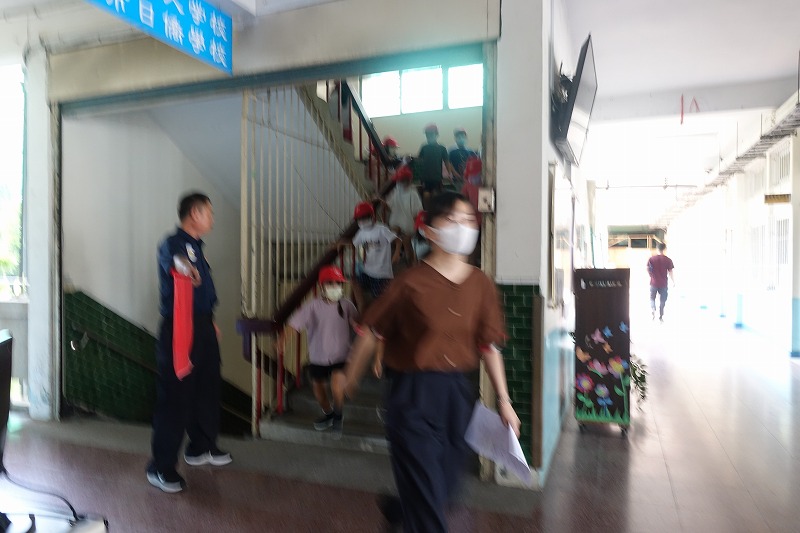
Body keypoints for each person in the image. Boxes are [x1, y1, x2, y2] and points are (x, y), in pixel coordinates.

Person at [344, 192, 521, 533]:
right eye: (452, 220)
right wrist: (350, 377)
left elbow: (488, 346)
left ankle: (400, 508)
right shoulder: (409, 282)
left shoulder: (481, 284)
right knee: (426, 494)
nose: (462, 227)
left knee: (446, 486)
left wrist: (504, 401)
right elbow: (373, 330)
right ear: (430, 231)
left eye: (468, 220)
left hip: (457, 394)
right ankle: (414, 513)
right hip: (413, 394)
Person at [147, 193, 231, 494]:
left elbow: (202, 293)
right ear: (195, 213)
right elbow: (177, 264)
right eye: (209, 212)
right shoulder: (173, 244)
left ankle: (201, 446)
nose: (212, 219)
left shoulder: (197, 247)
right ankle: (160, 467)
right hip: (180, 327)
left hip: (203, 324)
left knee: (207, 386)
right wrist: (185, 268)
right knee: (176, 394)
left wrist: (209, 322)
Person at [284, 266, 358, 436]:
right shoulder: (313, 306)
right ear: (322, 286)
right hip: (318, 356)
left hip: (342, 355)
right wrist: (284, 339)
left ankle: (338, 414)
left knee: (337, 383)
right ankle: (329, 413)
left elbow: (357, 322)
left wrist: (359, 325)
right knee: (319, 391)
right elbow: (294, 324)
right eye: (330, 283)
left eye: (337, 283)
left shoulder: (347, 305)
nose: (334, 287)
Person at [350, 201, 400, 310]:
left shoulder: (382, 229)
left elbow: (398, 241)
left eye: (364, 218)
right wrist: (340, 243)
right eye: (359, 219)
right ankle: (361, 307)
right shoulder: (361, 232)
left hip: (382, 273)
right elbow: (353, 244)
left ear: (372, 216)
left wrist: (396, 254)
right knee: (355, 282)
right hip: (368, 271)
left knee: (379, 300)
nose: (362, 221)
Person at [386, 165, 424, 267]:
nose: (399, 183)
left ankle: (409, 265)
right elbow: (389, 206)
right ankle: (404, 262)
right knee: (401, 243)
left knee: (407, 246)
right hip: (400, 223)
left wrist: (418, 228)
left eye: (400, 180)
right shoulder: (397, 191)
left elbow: (417, 213)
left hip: (406, 225)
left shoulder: (412, 194)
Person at [418, 124, 459, 205]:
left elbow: (447, 162)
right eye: (427, 135)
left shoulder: (442, 148)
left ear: (436, 134)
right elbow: (419, 161)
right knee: (426, 196)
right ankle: (427, 211)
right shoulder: (424, 148)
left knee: (435, 195)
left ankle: (435, 210)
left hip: (437, 178)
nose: (429, 137)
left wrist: (450, 174)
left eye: (431, 134)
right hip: (426, 178)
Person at [647, 242, 675, 322]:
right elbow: (670, 272)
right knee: (662, 300)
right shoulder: (668, 260)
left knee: (652, 298)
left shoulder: (651, 259)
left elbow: (648, 269)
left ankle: (653, 309)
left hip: (653, 283)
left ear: (657, 249)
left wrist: (651, 276)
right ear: (664, 249)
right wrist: (673, 281)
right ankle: (660, 316)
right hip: (663, 284)